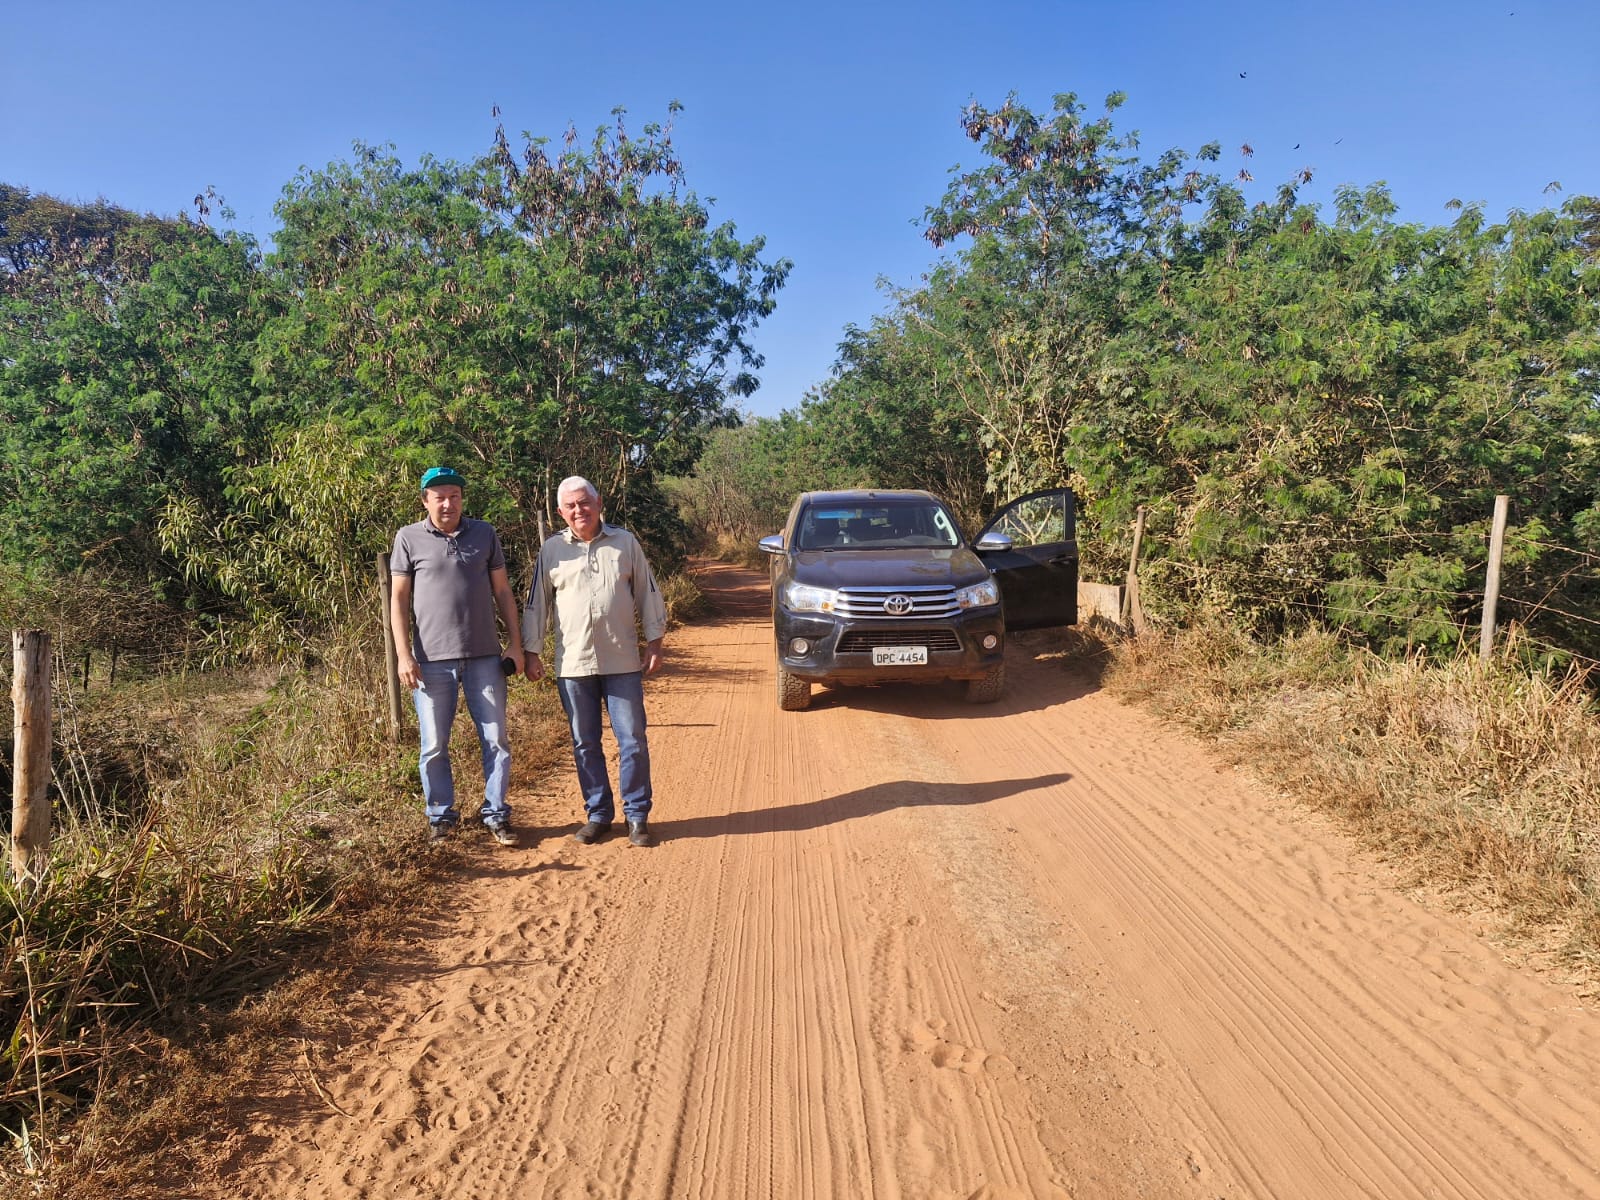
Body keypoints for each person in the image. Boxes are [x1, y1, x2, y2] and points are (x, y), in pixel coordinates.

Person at [523, 475, 666, 847]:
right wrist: (531, 651)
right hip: (574, 664)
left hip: (622, 661)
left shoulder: (625, 542)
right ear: (560, 512)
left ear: (599, 503)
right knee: (584, 742)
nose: (579, 510)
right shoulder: (552, 550)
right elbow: (537, 603)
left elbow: (647, 591)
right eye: (570, 506)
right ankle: (599, 815)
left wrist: (655, 641)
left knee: (632, 740)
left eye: (584, 502)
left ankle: (637, 815)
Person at [390, 466, 525, 845]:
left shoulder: (484, 533)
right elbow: (398, 599)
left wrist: (515, 644)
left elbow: (503, 591)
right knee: (434, 745)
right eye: (439, 497)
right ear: (425, 501)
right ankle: (441, 817)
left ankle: (496, 814)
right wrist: (403, 655)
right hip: (430, 662)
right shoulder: (408, 538)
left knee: (496, 739)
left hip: (485, 657)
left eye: (454, 496)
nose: (448, 503)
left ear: (462, 499)